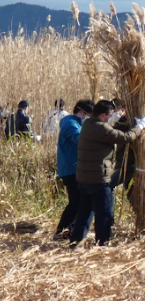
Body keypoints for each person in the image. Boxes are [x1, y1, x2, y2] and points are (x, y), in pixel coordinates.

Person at [70, 100, 145, 247]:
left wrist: (115, 118)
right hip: (98, 179)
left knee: (85, 211)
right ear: (102, 115)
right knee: (104, 213)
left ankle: (75, 241)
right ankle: (102, 243)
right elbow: (126, 137)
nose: (110, 118)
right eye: (109, 115)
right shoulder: (101, 129)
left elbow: (105, 129)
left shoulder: (87, 124)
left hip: (84, 178)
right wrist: (140, 126)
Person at [53, 99, 94, 239]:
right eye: (89, 114)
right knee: (76, 201)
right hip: (71, 169)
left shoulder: (77, 123)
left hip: (74, 168)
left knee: (78, 201)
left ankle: (69, 231)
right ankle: (62, 232)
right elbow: (79, 140)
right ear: (82, 112)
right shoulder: (70, 123)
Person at [109, 99, 136, 191]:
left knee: (110, 184)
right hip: (122, 162)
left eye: (116, 109)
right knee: (128, 191)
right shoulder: (120, 121)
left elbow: (127, 137)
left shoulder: (132, 122)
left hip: (131, 164)